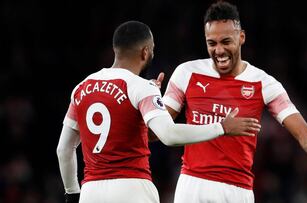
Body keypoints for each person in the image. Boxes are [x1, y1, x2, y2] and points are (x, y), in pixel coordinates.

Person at [56, 20, 261, 203]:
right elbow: (169, 135)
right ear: (145, 51)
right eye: (152, 49)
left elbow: (64, 149)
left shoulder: (82, 88)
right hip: (132, 189)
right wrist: (221, 127)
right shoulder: (140, 88)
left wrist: (73, 193)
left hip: (91, 192)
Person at [161, 1, 307, 202]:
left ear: (241, 37)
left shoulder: (263, 83)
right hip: (192, 185)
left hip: (237, 190)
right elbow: (158, 131)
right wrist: (149, 101)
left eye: (226, 41)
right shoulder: (187, 73)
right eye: (212, 43)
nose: (219, 50)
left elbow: (301, 130)